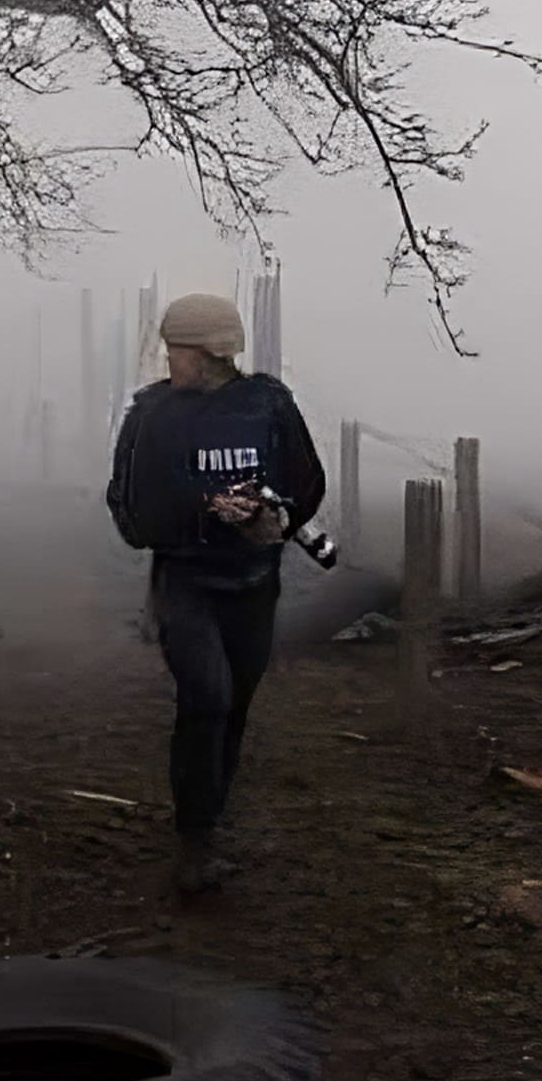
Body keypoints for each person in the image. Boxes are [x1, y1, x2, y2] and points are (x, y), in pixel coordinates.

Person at [104, 292, 326, 898]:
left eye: (175, 350)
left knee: (234, 709)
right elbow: (128, 508)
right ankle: (194, 847)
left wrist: (270, 510)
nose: (167, 360)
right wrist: (203, 511)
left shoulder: (268, 405)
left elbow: (308, 483)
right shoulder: (153, 414)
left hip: (254, 584)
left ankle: (208, 821)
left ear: (208, 352)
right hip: (185, 583)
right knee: (206, 698)